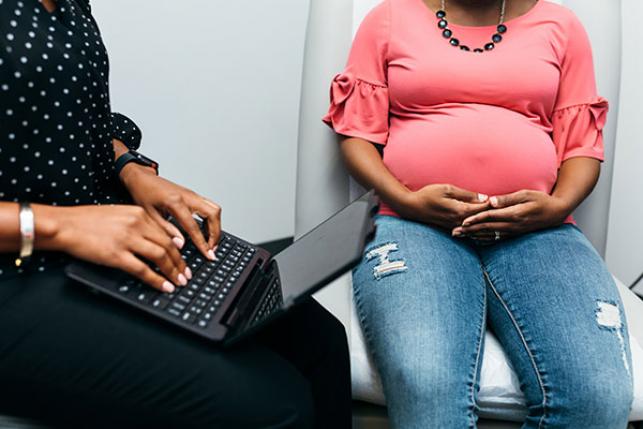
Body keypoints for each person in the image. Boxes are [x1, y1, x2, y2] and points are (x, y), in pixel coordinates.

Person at [0, 1, 351, 428]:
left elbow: (64, 114)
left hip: (93, 254)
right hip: (17, 275)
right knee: (276, 405)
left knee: (321, 341)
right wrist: (59, 225)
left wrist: (127, 167)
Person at [322, 0, 633, 427]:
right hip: (411, 224)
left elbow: (581, 148)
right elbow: (356, 135)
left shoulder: (561, 26)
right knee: (427, 385)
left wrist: (556, 206)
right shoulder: (389, 18)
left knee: (597, 398)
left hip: (539, 232)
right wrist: (407, 199)